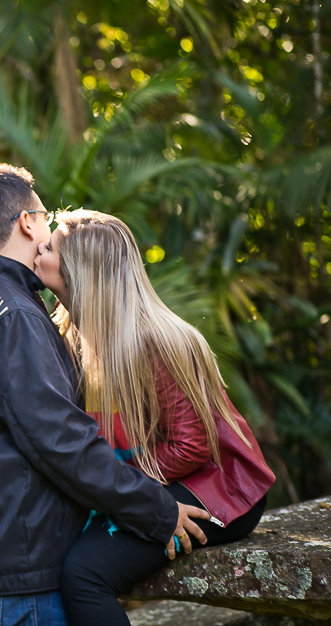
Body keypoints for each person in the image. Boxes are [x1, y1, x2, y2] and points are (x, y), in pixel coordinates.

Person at [0, 165, 209, 626]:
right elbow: (61, 441)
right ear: (26, 222)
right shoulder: (11, 314)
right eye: (45, 218)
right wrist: (157, 510)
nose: (47, 232)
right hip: (22, 573)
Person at [33, 209, 276, 626]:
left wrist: (121, 488)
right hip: (160, 479)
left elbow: (193, 445)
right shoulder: (79, 332)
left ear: (80, 271)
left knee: (84, 573)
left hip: (217, 485)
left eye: (50, 245)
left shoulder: (153, 341)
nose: (40, 246)